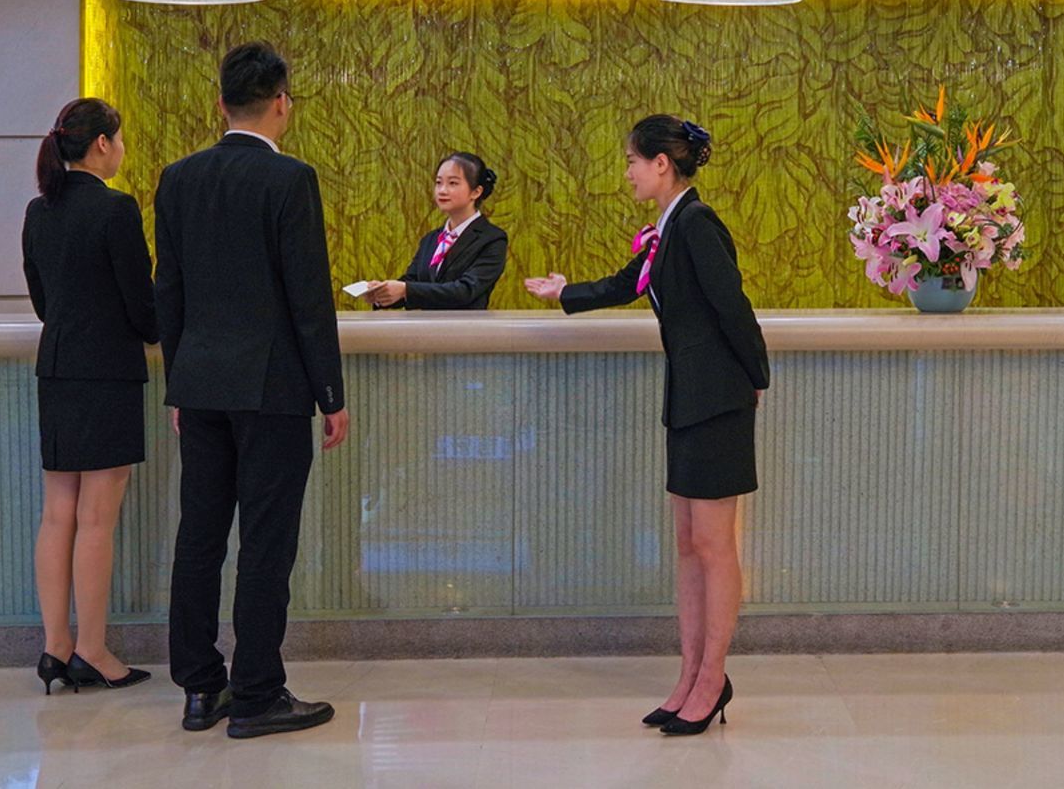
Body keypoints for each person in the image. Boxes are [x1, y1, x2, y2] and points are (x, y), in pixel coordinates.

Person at [525, 114, 768, 737]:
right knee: (687, 544)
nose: (628, 172)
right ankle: (689, 676)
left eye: (633, 161)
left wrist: (756, 379)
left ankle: (712, 679)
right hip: (688, 399)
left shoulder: (697, 224)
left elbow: (733, 306)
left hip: (717, 400)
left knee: (713, 545)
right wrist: (565, 293)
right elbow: (628, 282)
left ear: (662, 163)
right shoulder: (668, 230)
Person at [155, 42, 350, 740]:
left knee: (200, 536)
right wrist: (331, 394)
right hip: (273, 388)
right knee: (265, 542)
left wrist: (179, 385)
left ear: (221, 105)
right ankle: (259, 691)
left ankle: (200, 687)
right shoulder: (290, 179)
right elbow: (308, 297)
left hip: (200, 385)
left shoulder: (178, 178)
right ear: (282, 104)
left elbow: (168, 291)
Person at [21, 97, 157, 695]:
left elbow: (43, 303)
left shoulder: (38, 210)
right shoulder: (116, 209)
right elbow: (142, 308)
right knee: (97, 519)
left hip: (58, 370)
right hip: (108, 373)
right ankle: (94, 650)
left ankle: (55, 646)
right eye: (119, 139)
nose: (121, 149)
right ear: (102, 143)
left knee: (58, 514)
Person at [364, 152, 509, 311]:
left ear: (476, 192)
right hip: (425, 325)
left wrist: (405, 289)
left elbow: (465, 290)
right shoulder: (431, 239)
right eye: (439, 183)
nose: (442, 190)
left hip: (465, 325)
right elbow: (413, 282)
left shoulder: (492, 239)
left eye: (453, 183)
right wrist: (382, 293)